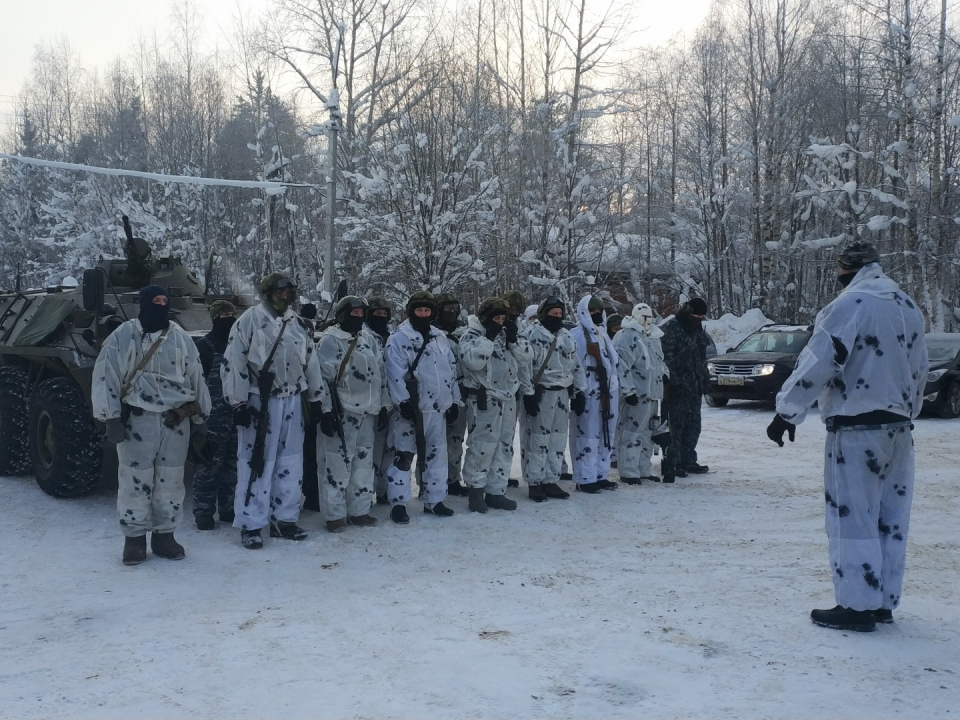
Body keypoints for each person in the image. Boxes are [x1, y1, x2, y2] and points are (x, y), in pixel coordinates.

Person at [767, 242, 927, 633]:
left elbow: (821, 358)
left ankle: (857, 605)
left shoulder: (849, 305)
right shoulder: (907, 306)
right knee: (891, 517)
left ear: (845, 269)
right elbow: (919, 367)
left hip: (856, 428)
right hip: (899, 428)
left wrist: (788, 410)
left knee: (853, 516)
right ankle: (883, 600)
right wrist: (909, 409)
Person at [93, 285, 211, 565]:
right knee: (135, 479)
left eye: (164, 301)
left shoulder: (180, 337)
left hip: (175, 420)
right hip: (138, 419)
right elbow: (106, 375)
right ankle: (134, 538)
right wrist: (111, 417)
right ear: (144, 304)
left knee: (171, 480)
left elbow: (195, 376)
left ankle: (164, 534)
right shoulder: (123, 336)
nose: (161, 305)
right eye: (155, 301)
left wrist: (200, 419)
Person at [221, 272, 328, 549]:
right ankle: (251, 523)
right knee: (257, 462)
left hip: (292, 398)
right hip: (260, 401)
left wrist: (316, 400)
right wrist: (238, 403)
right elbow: (234, 363)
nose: (285, 297)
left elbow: (311, 362)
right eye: (280, 292)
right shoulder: (250, 321)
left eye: (289, 292)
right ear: (268, 293)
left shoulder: (299, 325)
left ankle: (285, 519)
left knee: (291, 462)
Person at [384, 291, 460, 523]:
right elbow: (394, 373)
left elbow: (451, 370)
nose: (424, 314)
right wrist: (402, 401)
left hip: (437, 408)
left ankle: (434, 499)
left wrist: (454, 400)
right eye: (419, 310)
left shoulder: (440, 338)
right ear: (411, 312)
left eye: (427, 311)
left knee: (437, 456)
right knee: (404, 455)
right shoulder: (399, 338)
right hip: (411, 408)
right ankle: (398, 503)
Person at [315, 296, 387, 532]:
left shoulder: (368, 339)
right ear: (343, 314)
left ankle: (359, 510)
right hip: (341, 411)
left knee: (363, 465)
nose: (358, 317)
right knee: (336, 465)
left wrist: (383, 405)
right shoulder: (330, 340)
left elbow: (381, 373)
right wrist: (325, 410)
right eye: (353, 313)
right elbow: (322, 378)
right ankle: (334, 514)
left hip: (367, 411)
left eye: (361, 313)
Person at [459, 297, 533, 512]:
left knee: (504, 446)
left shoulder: (507, 336)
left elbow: (526, 357)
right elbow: (473, 361)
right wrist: (488, 338)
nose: (500, 322)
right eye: (496, 318)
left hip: (507, 397)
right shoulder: (471, 336)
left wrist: (512, 339)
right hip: (484, 398)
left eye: (504, 318)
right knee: (482, 446)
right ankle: (476, 491)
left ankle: (496, 491)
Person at [519, 296, 586, 502]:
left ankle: (550, 478)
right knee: (537, 437)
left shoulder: (566, 335)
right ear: (542, 313)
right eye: (552, 313)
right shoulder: (531, 334)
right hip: (541, 391)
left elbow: (576, 365)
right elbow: (524, 367)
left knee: (557, 437)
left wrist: (579, 391)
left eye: (559, 313)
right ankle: (535, 481)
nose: (556, 317)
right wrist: (528, 393)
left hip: (562, 392)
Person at [192, 300, 239, 530]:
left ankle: (228, 507)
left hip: (235, 413)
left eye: (232, 314)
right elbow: (196, 382)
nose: (229, 319)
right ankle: (203, 510)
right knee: (209, 464)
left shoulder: (238, 345)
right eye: (224, 315)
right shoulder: (205, 346)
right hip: (212, 415)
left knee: (233, 464)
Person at [569, 295, 620, 493]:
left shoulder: (603, 334)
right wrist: (578, 391)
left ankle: (601, 474)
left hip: (609, 391)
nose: (596, 315)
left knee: (607, 434)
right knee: (587, 435)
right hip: (589, 390)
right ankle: (585, 477)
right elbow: (575, 365)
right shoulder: (578, 335)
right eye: (592, 312)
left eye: (599, 311)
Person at [614, 303, 668, 484]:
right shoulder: (627, 336)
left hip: (653, 394)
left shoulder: (654, 337)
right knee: (631, 433)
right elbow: (621, 365)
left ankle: (644, 469)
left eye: (650, 316)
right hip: (636, 395)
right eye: (644, 316)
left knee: (648, 434)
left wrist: (665, 376)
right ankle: (629, 471)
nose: (647, 320)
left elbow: (659, 361)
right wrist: (627, 390)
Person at [660, 297, 712, 475]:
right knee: (676, 426)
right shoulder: (670, 329)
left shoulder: (698, 330)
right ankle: (673, 462)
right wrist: (672, 383)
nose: (698, 320)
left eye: (701, 317)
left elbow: (701, 357)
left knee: (693, 425)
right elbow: (664, 359)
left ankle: (689, 460)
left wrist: (706, 379)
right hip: (677, 388)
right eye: (696, 316)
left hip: (694, 387)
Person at [433, 292, 469, 497]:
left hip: (460, 389)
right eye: (448, 309)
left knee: (455, 437)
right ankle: (430, 480)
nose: (452, 312)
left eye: (455, 308)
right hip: (436, 392)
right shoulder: (429, 333)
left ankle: (452, 478)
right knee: (433, 439)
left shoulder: (465, 332)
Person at [365, 296, 395, 505]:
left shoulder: (392, 337)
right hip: (370, 402)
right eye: (377, 314)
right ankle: (366, 493)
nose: (381, 317)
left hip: (394, 400)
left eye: (384, 314)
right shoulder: (364, 336)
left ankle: (384, 490)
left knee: (390, 448)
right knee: (370, 451)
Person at [501, 289, 528, 488]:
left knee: (507, 437)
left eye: (518, 312)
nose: (514, 315)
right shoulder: (490, 324)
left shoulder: (519, 328)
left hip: (513, 388)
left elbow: (524, 360)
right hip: (493, 390)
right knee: (490, 439)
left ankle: (502, 473)